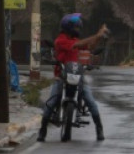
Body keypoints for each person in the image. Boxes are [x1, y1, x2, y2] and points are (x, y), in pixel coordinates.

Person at [37, 13, 110, 142]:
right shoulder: (60, 41)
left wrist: (99, 37)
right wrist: (97, 35)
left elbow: (90, 46)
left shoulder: (76, 40)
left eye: (78, 28)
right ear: (68, 27)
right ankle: (42, 131)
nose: (78, 30)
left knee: (91, 102)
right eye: (76, 28)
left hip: (78, 76)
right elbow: (78, 45)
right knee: (51, 102)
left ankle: (99, 129)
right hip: (61, 77)